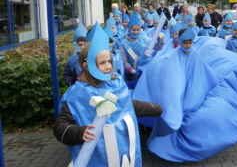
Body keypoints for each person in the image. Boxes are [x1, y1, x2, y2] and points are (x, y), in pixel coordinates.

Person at [131, 27, 237, 162]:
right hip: (180, 94)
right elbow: (173, 81)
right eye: (185, 43)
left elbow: (205, 72)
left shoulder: (194, 53)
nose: (188, 45)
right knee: (180, 115)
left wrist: (221, 82)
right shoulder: (174, 57)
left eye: (190, 42)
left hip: (195, 92)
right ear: (181, 41)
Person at [53, 26, 162, 167]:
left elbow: (127, 105)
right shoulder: (77, 94)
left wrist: (156, 109)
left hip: (124, 156)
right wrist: (79, 132)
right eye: (102, 63)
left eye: (109, 61)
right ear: (86, 65)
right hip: (97, 158)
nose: (109, 67)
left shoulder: (116, 84)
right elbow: (60, 126)